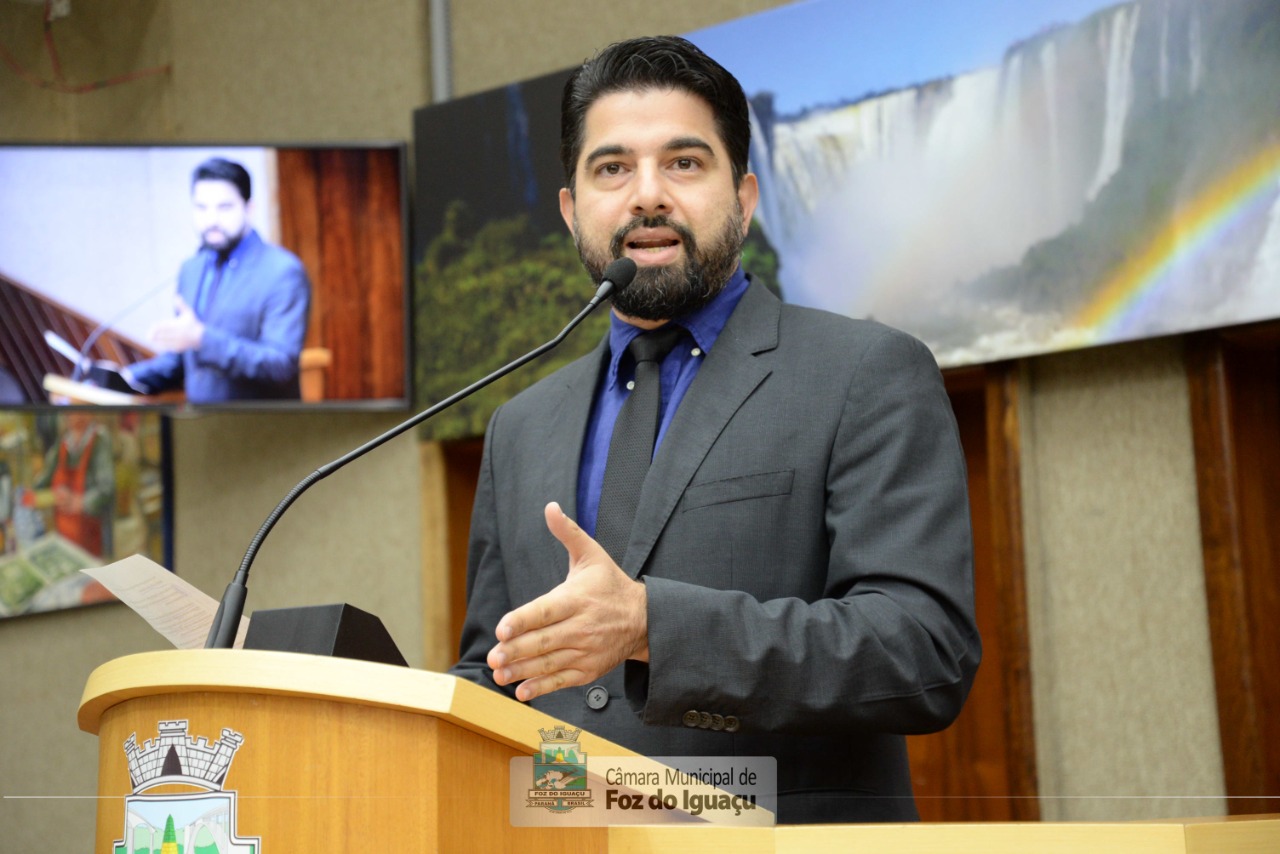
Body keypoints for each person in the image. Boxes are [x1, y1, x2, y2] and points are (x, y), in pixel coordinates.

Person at [450, 36, 981, 824]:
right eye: (612, 168)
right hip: (558, 835)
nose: (647, 195)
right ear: (571, 211)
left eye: (685, 163)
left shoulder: (865, 372)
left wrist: (652, 625)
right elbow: (500, 668)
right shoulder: (520, 425)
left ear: (745, 196)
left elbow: (923, 650)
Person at [122, 157, 311, 402]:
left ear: (249, 208)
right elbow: (182, 359)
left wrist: (202, 338)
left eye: (224, 207)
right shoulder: (192, 268)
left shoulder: (282, 271)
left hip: (263, 427)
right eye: (201, 207)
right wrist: (126, 378)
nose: (211, 220)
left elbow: (280, 365)